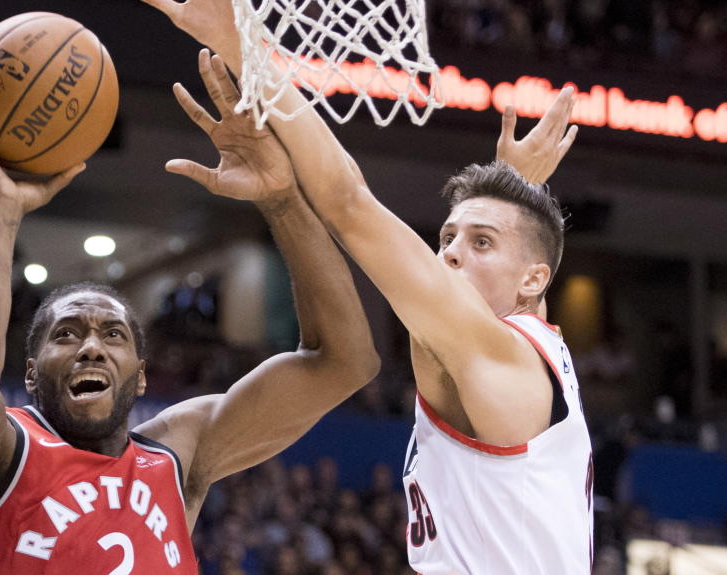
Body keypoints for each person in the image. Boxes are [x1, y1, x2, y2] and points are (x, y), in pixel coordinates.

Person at [141, 2, 592, 572]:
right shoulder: (534, 344)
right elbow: (523, 266)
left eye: (480, 243)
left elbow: (348, 202)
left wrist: (246, 51)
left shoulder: (497, 354)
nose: (449, 250)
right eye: (448, 236)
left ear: (533, 279)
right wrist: (513, 186)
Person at [0, 55, 381, 573]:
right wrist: (0, 211)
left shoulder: (178, 457)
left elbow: (344, 363)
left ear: (141, 377)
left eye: (113, 334)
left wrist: (283, 201)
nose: (91, 346)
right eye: (66, 334)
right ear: (30, 373)